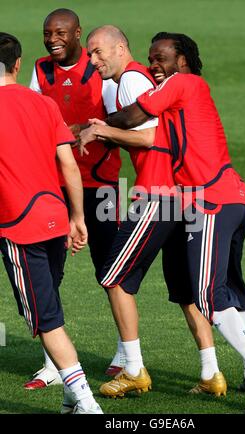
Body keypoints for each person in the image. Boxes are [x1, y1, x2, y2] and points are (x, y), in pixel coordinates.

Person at [84, 31, 245, 414]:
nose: (154, 66)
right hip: (230, 197)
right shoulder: (187, 92)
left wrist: (91, 128)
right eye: (151, 59)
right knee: (229, 289)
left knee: (207, 294)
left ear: (182, 61)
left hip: (210, 199)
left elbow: (134, 118)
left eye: (160, 58)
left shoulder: (183, 83)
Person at [80, 25, 227, 399]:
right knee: (183, 290)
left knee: (112, 277)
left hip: (158, 194)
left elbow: (151, 135)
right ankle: (212, 372)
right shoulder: (142, 80)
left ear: (119, 49)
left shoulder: (130, 80)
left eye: (98, 52)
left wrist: (100, 132)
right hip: (182, 195)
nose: (92, 61)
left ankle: (132, 369)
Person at [0, 32, 102, 414]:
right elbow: (69, 163)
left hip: (17, 224)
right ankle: (69, 401)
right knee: (51, 304)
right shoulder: (43, 104)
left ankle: (88, 404)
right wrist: (77, 217)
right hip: (55, 216)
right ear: (18, 64)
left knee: (46, 318)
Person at [25, 8, 121, 389]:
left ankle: (127, 356)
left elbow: (123, 120)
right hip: (52, 186)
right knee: (49, 273)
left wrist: (88, 130)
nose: (53, 39)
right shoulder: (40, 70)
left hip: (101, 185)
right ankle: (51, 363)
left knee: (112, 271)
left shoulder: (100, 69)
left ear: (78, 33)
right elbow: (30, 118)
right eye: (48, 33)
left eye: (61, 32)